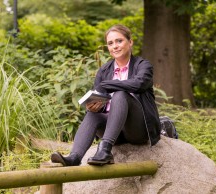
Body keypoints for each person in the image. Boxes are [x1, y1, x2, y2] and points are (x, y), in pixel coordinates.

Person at [51, 24, 161, 166]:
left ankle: (105, 151)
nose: (115, 46)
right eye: (110, 43)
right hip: (114, 132)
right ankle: (74, 157)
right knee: (92, 114)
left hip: (137, 130)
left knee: (120, 94)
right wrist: (95, 106)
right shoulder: (104, 70)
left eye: (119, 41)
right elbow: (99, 97)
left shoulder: (143, 65)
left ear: (130, 42)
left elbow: (139, 84)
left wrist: (107, 85)